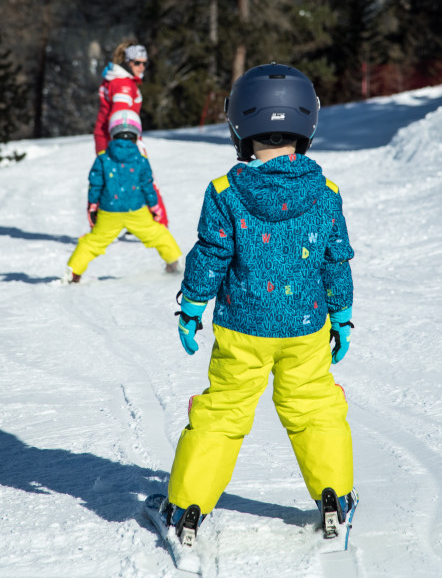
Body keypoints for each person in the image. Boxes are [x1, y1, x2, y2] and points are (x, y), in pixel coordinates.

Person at [155, 63, 356, 543]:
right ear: (307, 123)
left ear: (239, 124)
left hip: (242, 330)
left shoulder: (225, 192)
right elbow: (336, 260)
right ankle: (334, 497)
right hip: (306, 329)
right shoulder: (326, 193)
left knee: (223, 413)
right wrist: (342, 316)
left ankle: (186, 509)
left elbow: (210, 255)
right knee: (314, 408)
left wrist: (191, 308)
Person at [62, 110, 182, 284]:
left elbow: (95, 185)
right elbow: (148, 185)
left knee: (93, 241)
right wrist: (154, 207)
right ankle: (175, 262)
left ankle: (73, 272)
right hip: (137, 211)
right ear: (137, 134)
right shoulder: (141, 159)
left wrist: (92, 207)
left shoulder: (102, 159)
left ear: (112, 133)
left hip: (109, 211)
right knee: (158, 234)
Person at [93, 37, 168, 226]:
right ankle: (159, 226)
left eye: (144, 63)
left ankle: (107, 225)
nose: (142, 67)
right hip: (120, 141)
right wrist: (129, 144)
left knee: (110, 180)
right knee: (143, 178)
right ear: (127, 62)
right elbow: (120, 118)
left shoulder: (115, 79)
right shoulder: (124, 85)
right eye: (137, 63)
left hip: (105, 139)